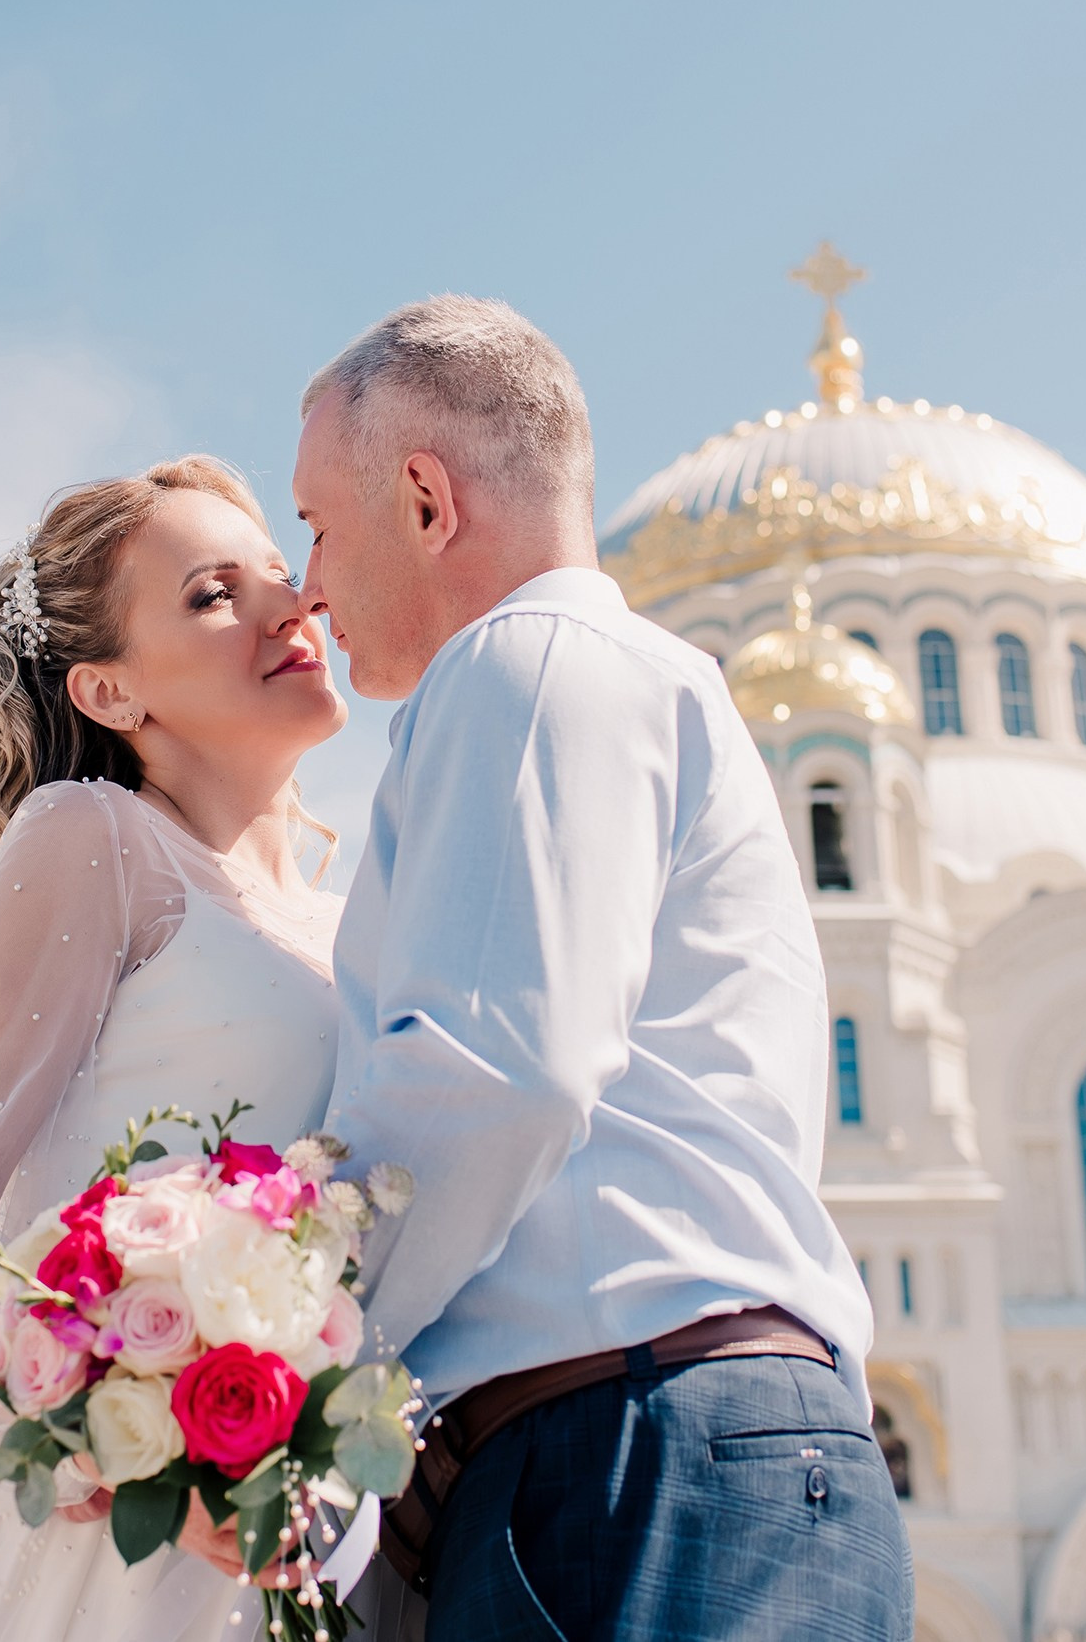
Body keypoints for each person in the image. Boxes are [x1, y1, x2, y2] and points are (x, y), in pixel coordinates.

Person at [295, 297, 914, 1640]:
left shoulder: (525, 659)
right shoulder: (654, 689)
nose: (308, 583)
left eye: (316, 524)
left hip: (628, 1461)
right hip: (714, 1446)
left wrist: (293, 1351)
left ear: (421, 498)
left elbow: (496, 1073)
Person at [0, 457, 349, 1642]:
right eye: (212, 594)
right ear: (111, 691)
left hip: (312, 1543)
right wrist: (126, 1450)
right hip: (105, 1551)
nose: (292, 607)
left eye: (281, 572)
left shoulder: (362, 924)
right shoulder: (97, 838)